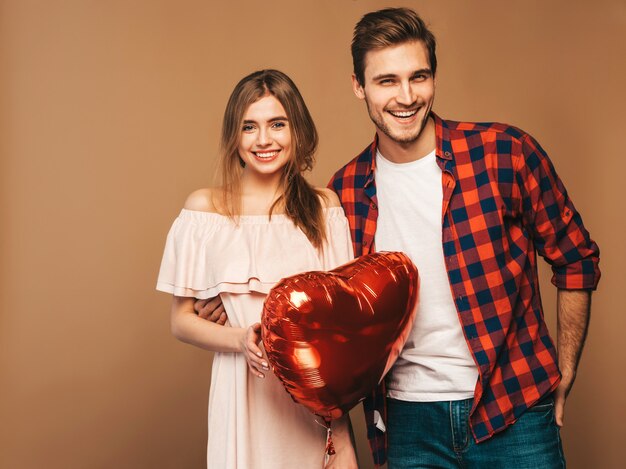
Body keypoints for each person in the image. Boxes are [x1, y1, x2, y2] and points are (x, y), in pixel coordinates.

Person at [326, 7, 601, 468]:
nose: (407, 96)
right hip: (407, 422)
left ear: (434, 77)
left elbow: (576, 258)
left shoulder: (504, 153)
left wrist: (565, 370)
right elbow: (325, 299)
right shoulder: (346, 190)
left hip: (513, 409)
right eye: (387, 81)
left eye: (419, 77)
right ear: (359, 86)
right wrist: (232, 301)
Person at [156, 69, 358, 469]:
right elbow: (181, 321)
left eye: (277, 124)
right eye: (249, 126)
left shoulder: (325, 209)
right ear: (234, 136)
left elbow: (340, 334)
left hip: (313, 406)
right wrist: (238, 339)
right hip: (242, 394)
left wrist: (344, 438)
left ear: (296, 129)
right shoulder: (205, 210)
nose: (263, 140)